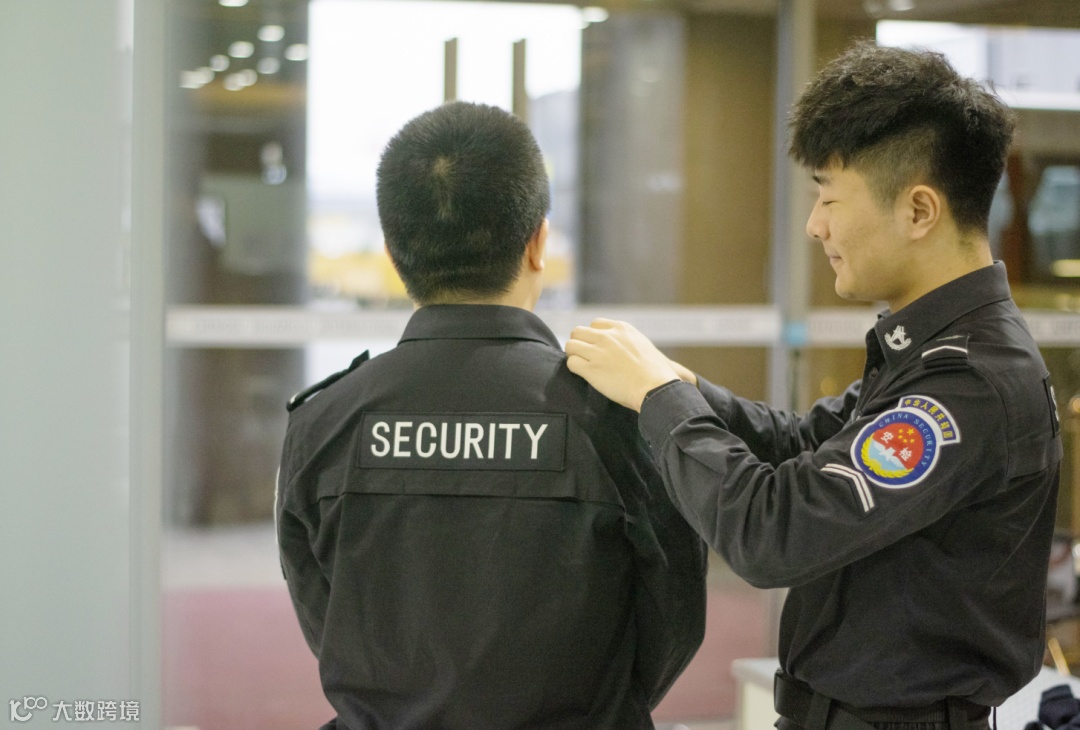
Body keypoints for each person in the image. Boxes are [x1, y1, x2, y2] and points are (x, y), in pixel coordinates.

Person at [565, 43, 1061, 730]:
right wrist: (684, 386)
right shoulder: (930, 350)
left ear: (919, 210)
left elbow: (776, 531)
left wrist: (660, 401)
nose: (814, 225)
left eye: (829, 197)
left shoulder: (969, 382)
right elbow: (804, 442)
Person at [276, 101, 707, 730]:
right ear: (538, 242)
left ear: (393, 251)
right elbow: (672, 618)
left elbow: (324, 614)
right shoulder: (618, 418)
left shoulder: (324, 422)